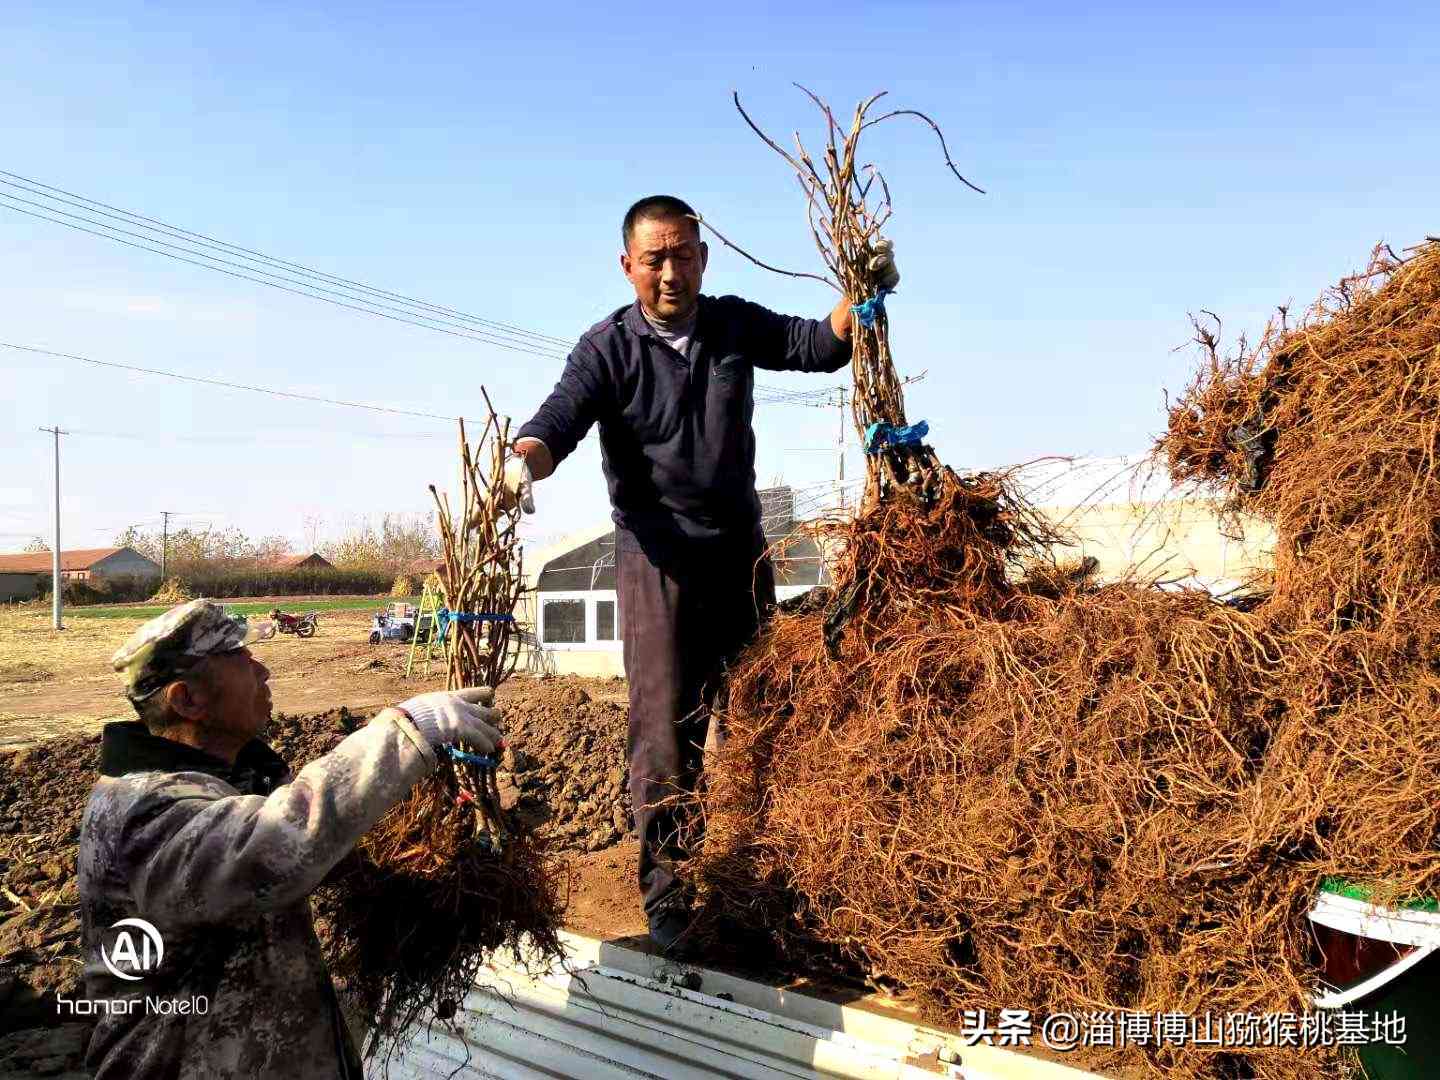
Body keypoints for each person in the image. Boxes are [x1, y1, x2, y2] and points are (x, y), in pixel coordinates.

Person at [503, 195, 898, 951]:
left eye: (684, 253)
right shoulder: (607, 349)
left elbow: (821, 344)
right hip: (658, 564)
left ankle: (763, 873)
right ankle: (671, 897)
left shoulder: (731, 325)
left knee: (760, 714)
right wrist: (522, 463)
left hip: (740, 553)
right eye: (654, 258)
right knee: (665, 731)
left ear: (703, 258)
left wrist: (866, 291)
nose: (671, 271)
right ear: (628, 267)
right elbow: (557, 421)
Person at [77, 599, 506, 1079]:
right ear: (188, 701)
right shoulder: (143, 811)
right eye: (241, 659)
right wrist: (405, 733)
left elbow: (311, 849)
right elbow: (271, 848)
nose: (263, 671)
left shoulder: (234, 779)